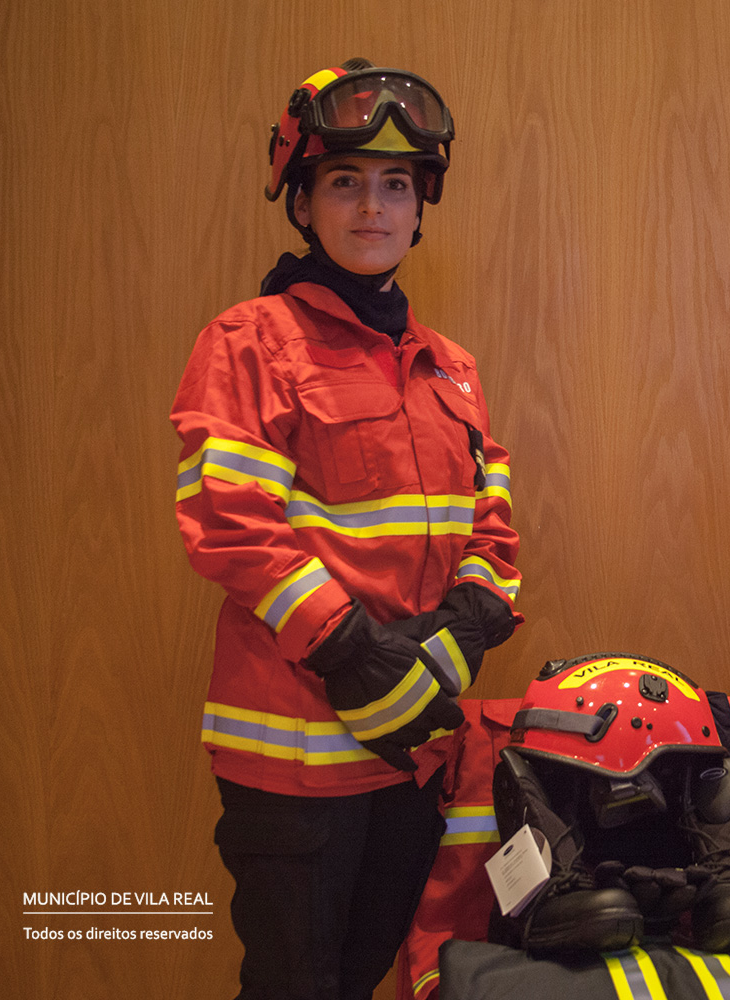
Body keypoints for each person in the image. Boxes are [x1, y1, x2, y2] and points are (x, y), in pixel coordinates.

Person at [171, 59, 522, 1000]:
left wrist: (463, 632)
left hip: (412, 755)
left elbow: (495, 530)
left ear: (420, 206)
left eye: (396, 185)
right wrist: (352, 651)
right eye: (346, 182)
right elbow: (232, 523)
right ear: (302, 202)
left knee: (373, 977)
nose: (374, 207)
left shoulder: (454, 369)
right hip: (291, 759)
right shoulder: (249, 340)